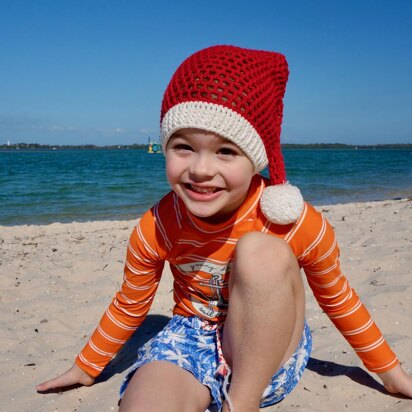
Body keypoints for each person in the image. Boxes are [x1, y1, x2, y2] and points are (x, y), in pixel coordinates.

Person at [36, 45, 412, 412]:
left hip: (270, 351)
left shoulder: (293, 221)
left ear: (256, 159)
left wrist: (390, 372)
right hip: (191, 338)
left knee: (259, 251)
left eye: (226, 151)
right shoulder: (158, 225)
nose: (200, 169)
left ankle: (241, 402)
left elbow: (338, 298)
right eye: (184, 146)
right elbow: (130, 304)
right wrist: (86, 368)